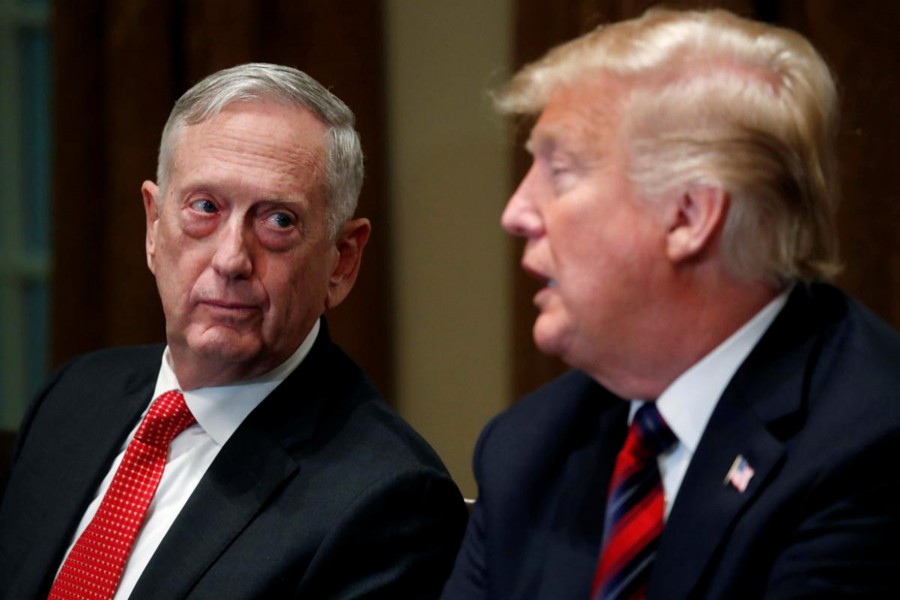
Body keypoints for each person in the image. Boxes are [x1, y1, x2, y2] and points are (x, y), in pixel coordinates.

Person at [442, 8, 900, 599]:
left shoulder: (870, 448)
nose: (517, 213)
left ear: (688, 215)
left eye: (559, 170)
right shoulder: (527, 449)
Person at [0, 63, 467, 599]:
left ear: (341, 261)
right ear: (154, 226)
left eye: (278, 221)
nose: (230, 259)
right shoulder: (73, 397)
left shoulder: (389, 502)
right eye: (205, 207)